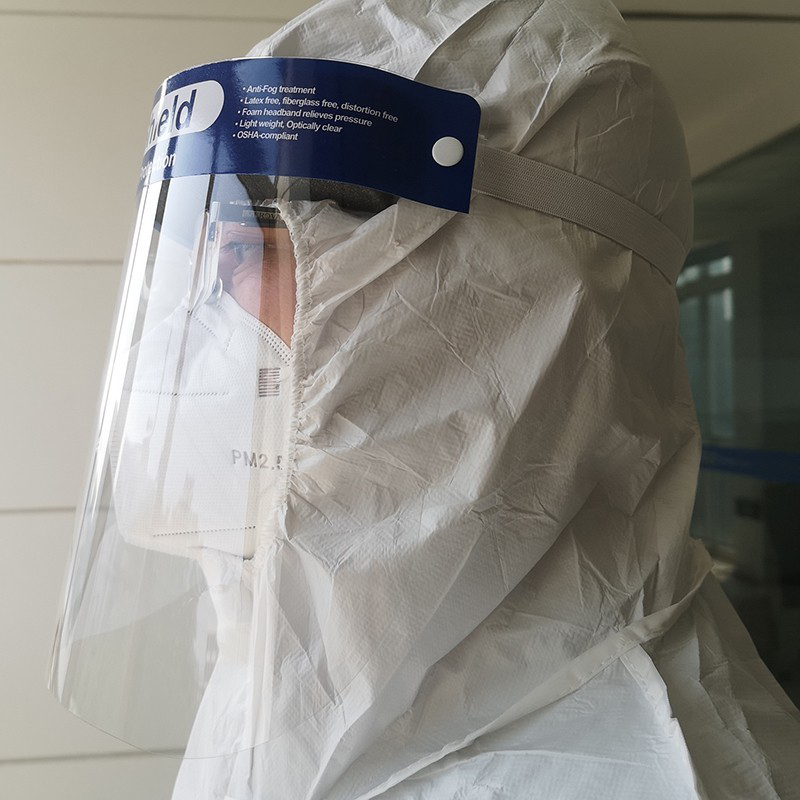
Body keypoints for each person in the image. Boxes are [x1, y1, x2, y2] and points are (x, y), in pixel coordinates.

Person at [52, 1, 800, 798]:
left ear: (488, 291)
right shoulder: (295, 659)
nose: (190, 331)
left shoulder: (651, 773)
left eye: (243, 249)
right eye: (204, 262)